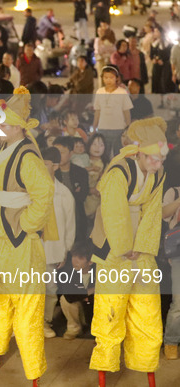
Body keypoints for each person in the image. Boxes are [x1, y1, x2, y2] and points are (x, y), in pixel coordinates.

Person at [0, 87, 57, 385]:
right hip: (5, 242)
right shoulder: (6, 149)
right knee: (0, 300)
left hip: (21, 244)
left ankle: (33, 374)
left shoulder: (27, 157)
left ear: (21, 127)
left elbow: (45, 193)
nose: (0, 128)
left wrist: (25, 224)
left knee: (26, 312)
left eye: (6, 124)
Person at [89, 117, 168, 386]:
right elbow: (113, 212)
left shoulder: (158, 172)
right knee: (110, 311)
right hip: (114, 248)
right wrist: (125, 248)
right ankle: (103, 373)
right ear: (141, 152)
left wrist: (142, 246)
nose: (158, 164)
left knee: (147, 311)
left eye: (161, 158)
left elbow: (153, 211)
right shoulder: (118, 171)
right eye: (154, 158)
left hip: (141, 249)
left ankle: (146, 366)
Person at [40, 147, 76, 339]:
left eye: (45, 164)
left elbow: (70, 226)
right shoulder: (30, 189)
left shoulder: (63, 194)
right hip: (31, 247)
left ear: (54, 166)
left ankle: (45, 322)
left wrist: (66, 251)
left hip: (53, 249)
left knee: (50, 288)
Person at [57, 241, 95, 340]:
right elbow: (69, 296)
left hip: (94, 311)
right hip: (80, 308)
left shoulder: (99, 271)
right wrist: (90, 291)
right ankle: (74, 328)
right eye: (74, 256)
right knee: (64, 300)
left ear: (90, 261)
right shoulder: (68, 270)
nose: (75, 261)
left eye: (80, 258)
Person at [93, 66, 132, 158]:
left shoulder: (122, 92)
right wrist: (94, 127)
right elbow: (97, 111)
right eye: (106, 77)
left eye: (111, 77)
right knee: (104, 153)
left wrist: (128, 127)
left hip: (118, 128)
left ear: (117, 78)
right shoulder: (99, 92)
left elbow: (126, 111)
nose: (108, 80)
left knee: (118, 153)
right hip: (103, 128)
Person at [163, 182, 180, 360]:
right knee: (179, 302)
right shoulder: (173, 191)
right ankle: (171, 342)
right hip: (178, 254)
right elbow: (163, 214)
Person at [151, 27, 175, 94]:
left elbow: (171, 57)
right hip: (157, 69)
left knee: (165, 85)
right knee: (158, 86)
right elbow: (151, 56)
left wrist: (164, 62)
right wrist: (155, 60)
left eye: (156, 31)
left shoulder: (169, 45)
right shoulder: (154, 44)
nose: (155, 33)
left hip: (166, 68)